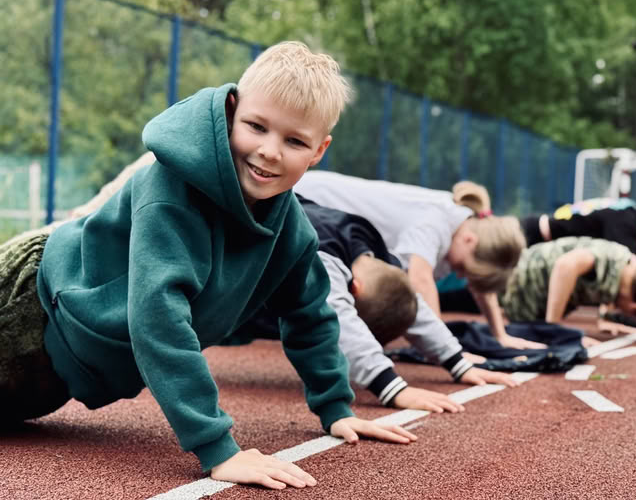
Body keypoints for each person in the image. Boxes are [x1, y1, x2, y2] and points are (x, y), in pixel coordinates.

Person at [0, 42, 415, 491]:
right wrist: (218, 448)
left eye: (294, 141)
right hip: (30, 306)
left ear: (318, 151)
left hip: (66, 364)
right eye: (257, 126)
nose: (270, 151)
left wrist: (336, 408)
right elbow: (158, 319)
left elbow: (310, 316)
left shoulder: (292, 230)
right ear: (232, 110)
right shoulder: (170, 190)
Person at [293, 171, 536, 350]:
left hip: (325, 216)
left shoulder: (463, 226)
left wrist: (500, 334)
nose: (460, 275)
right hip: (308, 196)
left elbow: (480, 288)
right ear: (470, 240)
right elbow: (419, 281)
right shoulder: (435, 222)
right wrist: (451, 351)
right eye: (463, 268)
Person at [501, 237, 636, 342]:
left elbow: (604, 286)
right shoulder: (613, 261)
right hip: (506, 283)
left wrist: (604, 318)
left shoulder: (627, 270)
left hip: (521, 298)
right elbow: (566, 265)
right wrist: (554, 331)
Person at [519, 205, 636, 269]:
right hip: (531, 236)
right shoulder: (624, 222)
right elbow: (626, 268)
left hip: (544, 251)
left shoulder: (633, 224)